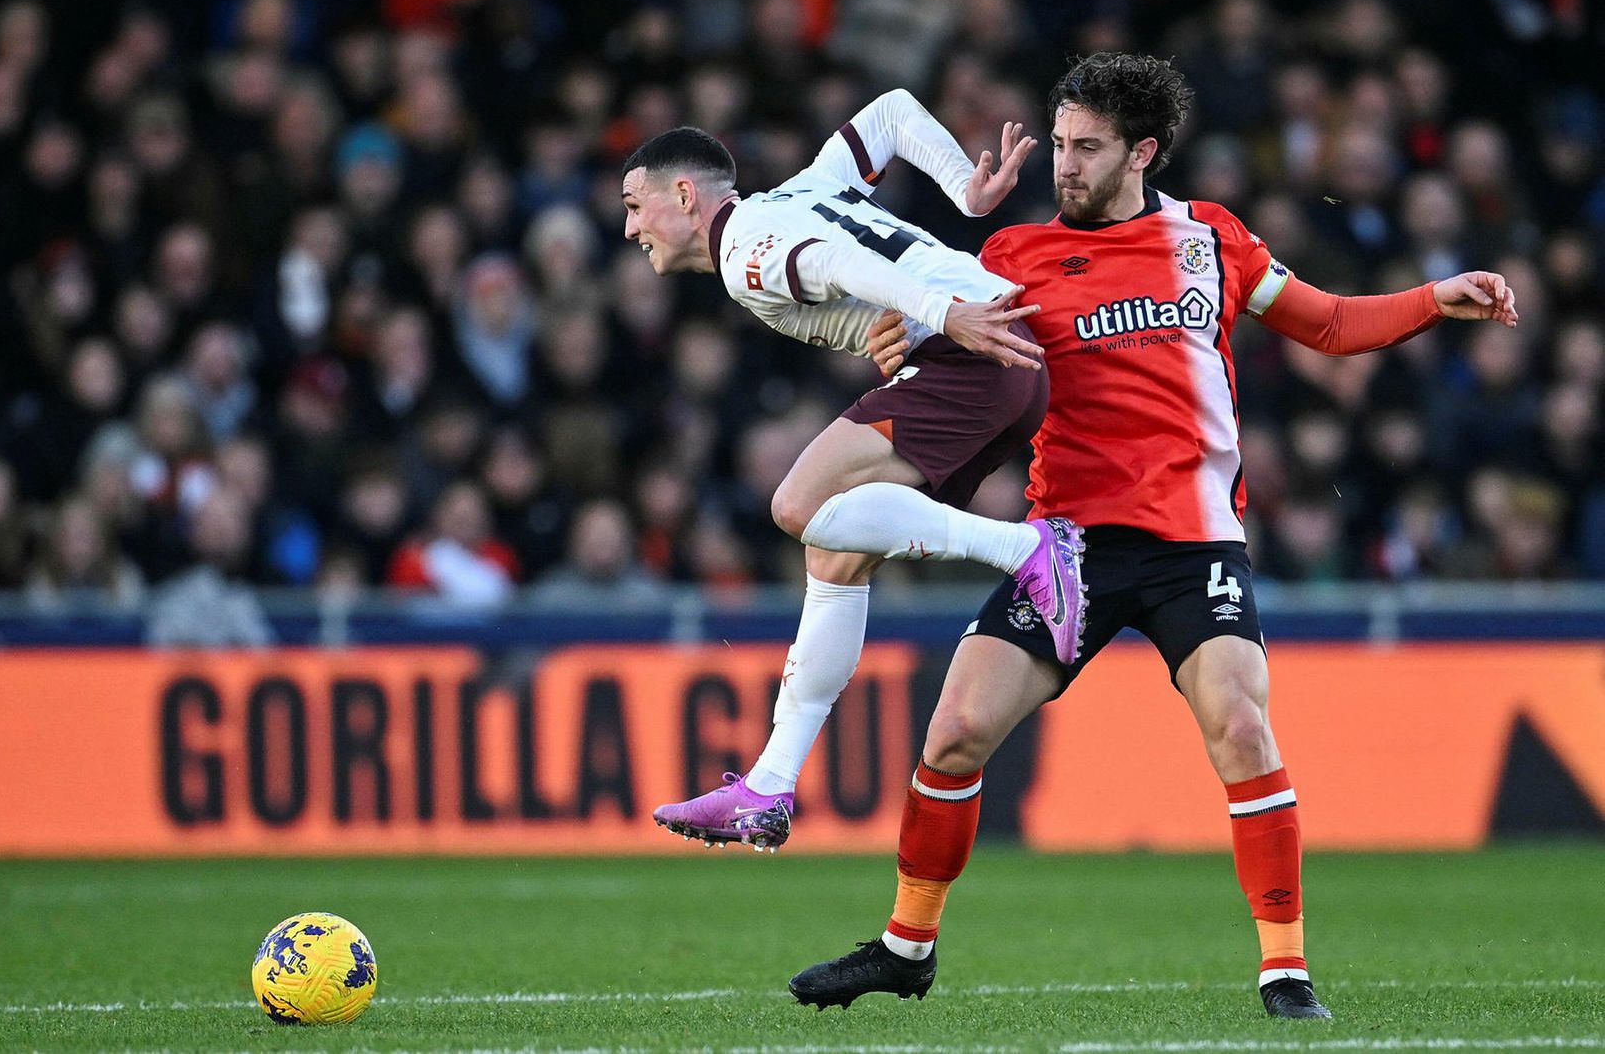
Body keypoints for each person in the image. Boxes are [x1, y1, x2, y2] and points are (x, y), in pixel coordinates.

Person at [787, 52, 1518, 1020]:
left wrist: (1433, 298)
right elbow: (929, 342)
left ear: (1142, 149)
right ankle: (904, 945)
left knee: (1240, 726)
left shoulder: (1208, 239)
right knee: (955, 732)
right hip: (1062, 551)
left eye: (1085, 148)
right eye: (1056, 145)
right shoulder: (1006, 258)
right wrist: (898, 336)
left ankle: (1284, 970)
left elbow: (1330, 325)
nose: (1064, 166)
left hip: (1191, 544)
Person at [620, 91, 1088, 851]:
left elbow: (841, 260)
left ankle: (1030, 551)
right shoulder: (803, 190)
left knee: (797, 503)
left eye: (636, 205)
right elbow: (894, 113)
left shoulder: (744, 251)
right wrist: (962, 188)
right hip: (1004, 350)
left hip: (970, 343)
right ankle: (770, 783)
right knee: (834, 554)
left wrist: (939, 314)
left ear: (684, 194)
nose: (632, 226)